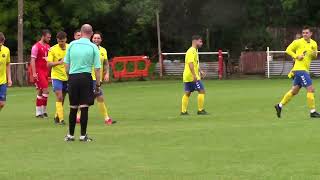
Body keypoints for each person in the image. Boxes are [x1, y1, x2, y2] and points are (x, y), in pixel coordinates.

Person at [64, 24, 101, 142]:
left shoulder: (71, 45)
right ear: (91, 34)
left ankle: (70, 135)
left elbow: (66, 65)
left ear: (80, 32)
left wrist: (69, 76)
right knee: (84, 107)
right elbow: (97, 68)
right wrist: (98, 84)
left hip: (73, 77)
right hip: (86, 78)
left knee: (73, 107)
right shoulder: (93, 47)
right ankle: (83, 135)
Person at [275, 26, 320, 118]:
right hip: (300, 70)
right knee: (310, 89)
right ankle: (313, 112)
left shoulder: (314, 43)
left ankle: (279, 106)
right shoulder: (298, 42)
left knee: (294, 91)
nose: (305, 34)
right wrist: (296, 56)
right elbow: (288, 50)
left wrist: (313, 54)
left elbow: (314, 55)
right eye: (303, 33)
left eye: (307, 33)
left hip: (304, 70)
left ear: (311, 34)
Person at [91, 32, 115, 125]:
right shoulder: (88, 49)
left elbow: (106, 63)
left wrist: (107, 74)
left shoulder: (103, 50)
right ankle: (107, 118)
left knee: (90, 98)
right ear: (92, 39)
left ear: (101, 40)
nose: (96, 40)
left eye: (98, 38)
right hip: (90, 77)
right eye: (94, 38)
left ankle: (78, 116)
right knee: (99, 96)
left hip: (98, 78)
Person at [181, 35, 208, 115]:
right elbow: (190, 63)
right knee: (201, 91)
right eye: (200, 41)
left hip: (187, 76)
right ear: (195, 41)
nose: (201, 43)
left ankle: (183, 111)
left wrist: (200, 71)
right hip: (191, 76)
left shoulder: (194, 50)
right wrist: (194, 75)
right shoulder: (192, 51)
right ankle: (200, 110)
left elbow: (195, 64)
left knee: (187, 93)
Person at [47, 31, 68, 125]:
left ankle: (56, 116)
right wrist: (58, 63)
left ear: (65, 40)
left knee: (62, 98)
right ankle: (61, 119)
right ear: (57, 40)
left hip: (67, 77)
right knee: (59, 96)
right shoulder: (52, 49)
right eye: (59, 41)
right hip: (56, 77)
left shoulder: (70, 48)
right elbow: (48, 64)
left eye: (62, 41)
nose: (60, 43)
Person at [30, 29, 51, 118]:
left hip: (46, 71)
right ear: (43, 36)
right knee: (46, 90)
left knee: (41, 91)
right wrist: (34, 73)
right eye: (48, 37)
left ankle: (39, 113)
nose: (49, 39)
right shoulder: (36, 47)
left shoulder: (48, 46)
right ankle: (43, 111)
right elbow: (32, 60)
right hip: (39, 71)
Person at [0, 32, 12, 111]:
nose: (1, 46)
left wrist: (9, 78)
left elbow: (8, 64)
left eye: (2, 43)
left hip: (2, 81)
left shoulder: (6, 50)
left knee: (2, 104)